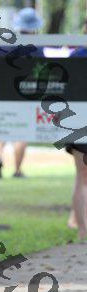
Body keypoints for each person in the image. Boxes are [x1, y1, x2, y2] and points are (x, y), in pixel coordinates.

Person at [0, 6, 44, 178]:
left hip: (1, 92)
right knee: (23, 131)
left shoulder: (4, 43)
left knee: (1, 128)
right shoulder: (36, 47)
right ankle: (17, 169)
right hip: (25, 93)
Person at [65, 18, 87, 237]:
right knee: (82, 177)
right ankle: (81, 229)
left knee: (82, 177)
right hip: (80, 120)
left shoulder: (76, 56)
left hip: (78, 120)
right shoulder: (77, 56)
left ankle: (82, 231)